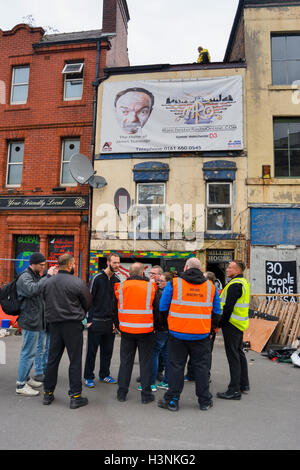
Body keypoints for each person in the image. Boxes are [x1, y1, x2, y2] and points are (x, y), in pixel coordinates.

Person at [157, 257, 221, 412]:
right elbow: (217, 312)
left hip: (177, 334)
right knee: (202, 368)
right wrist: (211, 330)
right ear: (200, 269)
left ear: (185, 268)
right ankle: (204, 401)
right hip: (201, 335)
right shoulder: (211, 287)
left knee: (176, 367)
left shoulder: (174, 283)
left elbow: (163, 307)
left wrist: (169, 325)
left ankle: (172, 400)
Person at [43, 254, 92, 409]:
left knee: (52, 360)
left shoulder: (48, 282)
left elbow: (45, 299)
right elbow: (88, 302)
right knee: (75, 360)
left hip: (54, 324)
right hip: (72, 325)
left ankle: (47, 394)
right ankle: (75, 396)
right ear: (70, 264)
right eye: (74, 263)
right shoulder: (77, 282)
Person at [113, 262, 159, 404]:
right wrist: (156, 326)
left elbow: (114, 310)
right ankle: (146, 395)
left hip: (126, 331)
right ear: (141, 273)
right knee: (146, 363)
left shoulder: (120, 287)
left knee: (126, 362)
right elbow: (156, 310)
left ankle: (122, 393)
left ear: (129, 273)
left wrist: (119, 326)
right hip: (146, 331)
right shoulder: (151, 287)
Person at [16, 252, 56, 397]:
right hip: (29, 321)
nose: (43, 267)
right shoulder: (24, 277)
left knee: (32, 352)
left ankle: (26, 378)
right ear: (32, 264)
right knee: (27, 353)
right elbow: (33, 290)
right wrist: (48, 277)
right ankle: (20, 384)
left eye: (44, 265)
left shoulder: (34, 275)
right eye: (41, 264)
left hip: (36, 320)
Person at [83, 254, 120, 388]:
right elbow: (88, 299)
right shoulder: (97, 278)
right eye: (115, 262)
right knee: (91, 351)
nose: (117, 265)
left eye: (118, 263)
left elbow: (117, 303)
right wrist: (88, 320)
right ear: (108, 262)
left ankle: (104, 374)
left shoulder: (117, 279)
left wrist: (116, 323)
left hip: (110, 322)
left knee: (107, 351)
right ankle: (88, 376)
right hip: (96, 320)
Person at [217, 260, 250, 400]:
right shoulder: (242, 282)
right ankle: (243, 384)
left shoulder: (235, 284)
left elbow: (228, 308)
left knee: (233, 357)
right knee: (239, 354)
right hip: (238, 324)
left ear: (237, 270)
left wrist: (221, 323)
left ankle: (234, 390)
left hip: (231, 324)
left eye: (230, 267)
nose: (227, 269)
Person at [151, 272, 173, 390]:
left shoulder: (161, 293)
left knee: (154, 354)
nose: (159, 283)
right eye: (158, 281)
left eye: (162, 281)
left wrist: (156, 327)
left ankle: (151, 383)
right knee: (167, 355)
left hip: (161, 329)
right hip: (170, 329)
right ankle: (167, 382)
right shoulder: (174, 293)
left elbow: (159, 313)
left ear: (168, 282)